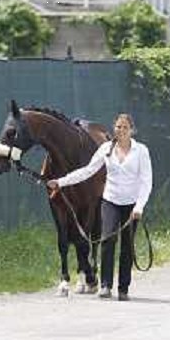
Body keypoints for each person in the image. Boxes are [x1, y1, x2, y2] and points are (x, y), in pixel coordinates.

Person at [47, 113, 152, 301]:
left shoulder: (141, 151)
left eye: (125, 127)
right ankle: (105, 285)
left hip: (132, 204)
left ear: (132, 130)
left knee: (127, 246)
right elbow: (87, 171)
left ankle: (123, 288)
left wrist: (139, 207)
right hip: (110, 200)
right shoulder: (106, 149)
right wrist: (61, 182)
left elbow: (146, 182)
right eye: (118, 127)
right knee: (107, 240)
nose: (120, 131)